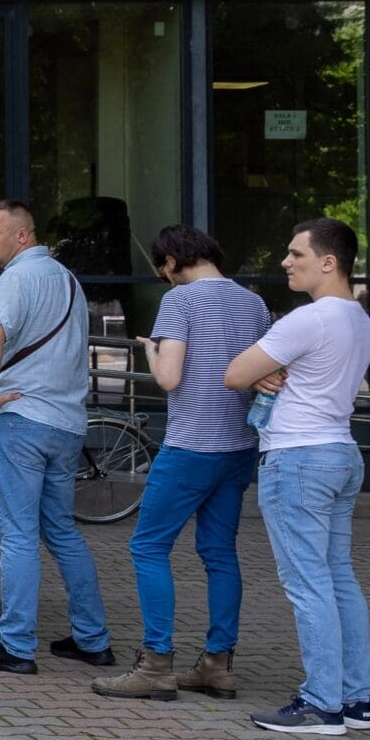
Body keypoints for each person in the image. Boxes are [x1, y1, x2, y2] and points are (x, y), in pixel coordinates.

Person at [91, 225, 269, 701]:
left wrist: (151, 350)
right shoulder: (252, 303)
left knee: (148, 547)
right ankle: (217, 664)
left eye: (162, 268)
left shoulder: (181, 302)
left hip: (191, 446)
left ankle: (155, 666)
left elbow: (169, 379)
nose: (164, 277)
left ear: (172, 261)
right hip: (238, 446)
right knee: (219, 553)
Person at [224, 217, 370, 736]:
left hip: (298, 458)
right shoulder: (358, 317)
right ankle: (355, 700)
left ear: (328, 262)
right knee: (338, 579)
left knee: (309, 584)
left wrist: (263, 370)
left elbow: (234, 374)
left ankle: (321, 703)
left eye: (296, 255)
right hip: (339, 452)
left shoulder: (306, 319)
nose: (286, 262)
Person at [0, 199, 113, 675]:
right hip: (66, 423)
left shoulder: (16, 278)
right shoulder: (67, 280)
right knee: (62, 531)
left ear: (22, 236)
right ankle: (93, 639)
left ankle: (16, 644)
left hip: (21, 419)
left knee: (18, 535)